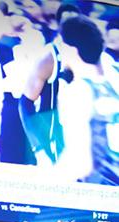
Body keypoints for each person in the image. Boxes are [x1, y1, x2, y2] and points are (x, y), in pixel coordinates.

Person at [56, 15, 119, 185]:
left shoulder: (77, 92)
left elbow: (82, 164)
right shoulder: (114, 79)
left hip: (102, 195)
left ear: (72, 50)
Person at [18, 2, 80, 166]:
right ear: (59, 26)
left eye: (75, 22)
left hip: (80, 142)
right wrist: (38, 147)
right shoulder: (50, 56)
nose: (71, 27)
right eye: (67, 22)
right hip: (53, 142)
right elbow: (25, 103)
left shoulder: (87, 57)